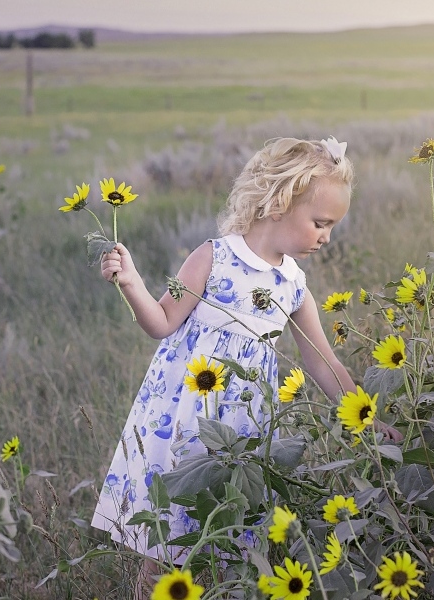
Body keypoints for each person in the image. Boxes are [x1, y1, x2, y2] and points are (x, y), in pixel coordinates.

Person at [92, 137, 367, 599]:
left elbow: (323, 362)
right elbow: (161, 321)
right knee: (169, 543)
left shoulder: (293, 286)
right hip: (182, 424)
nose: (327, 237)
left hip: (243, 436)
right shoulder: (213, 258)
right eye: (321, 223)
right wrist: (133, 282)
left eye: (332, 227)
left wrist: (367, 415)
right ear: (280, 202)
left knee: (232, 541)